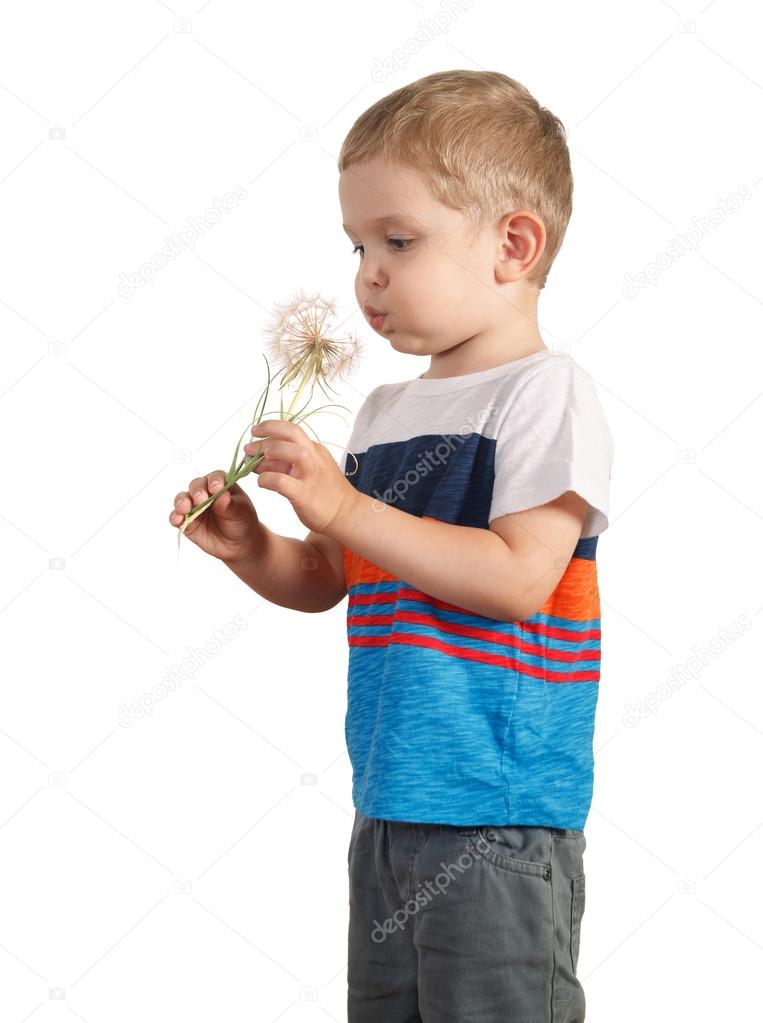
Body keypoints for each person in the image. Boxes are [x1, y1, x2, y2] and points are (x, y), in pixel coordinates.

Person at [169, 69, 614, 1023]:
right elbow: (333, 578)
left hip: (496, 809)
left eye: (398, 241)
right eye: (358, 245)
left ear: (513, 243)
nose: (367, 272)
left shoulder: (544, 393)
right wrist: (254, 547)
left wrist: (344, 507)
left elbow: (517, 580)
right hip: (388, 800)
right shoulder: (381, 412)